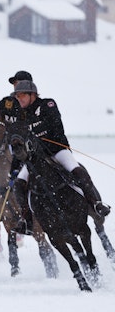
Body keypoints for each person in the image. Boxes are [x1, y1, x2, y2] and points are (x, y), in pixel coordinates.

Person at [9, 80, 110, 234]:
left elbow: (56, 126)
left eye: (22, 95)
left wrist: (38, 139)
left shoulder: (48, 104)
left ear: (32, 95)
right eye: (17, 96)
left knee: (77, 170)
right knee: (19, 184)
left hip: (57, 151)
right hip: (36, 159)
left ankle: (96, 203)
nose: (19, 98)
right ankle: (26, 220)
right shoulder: (20, 116)